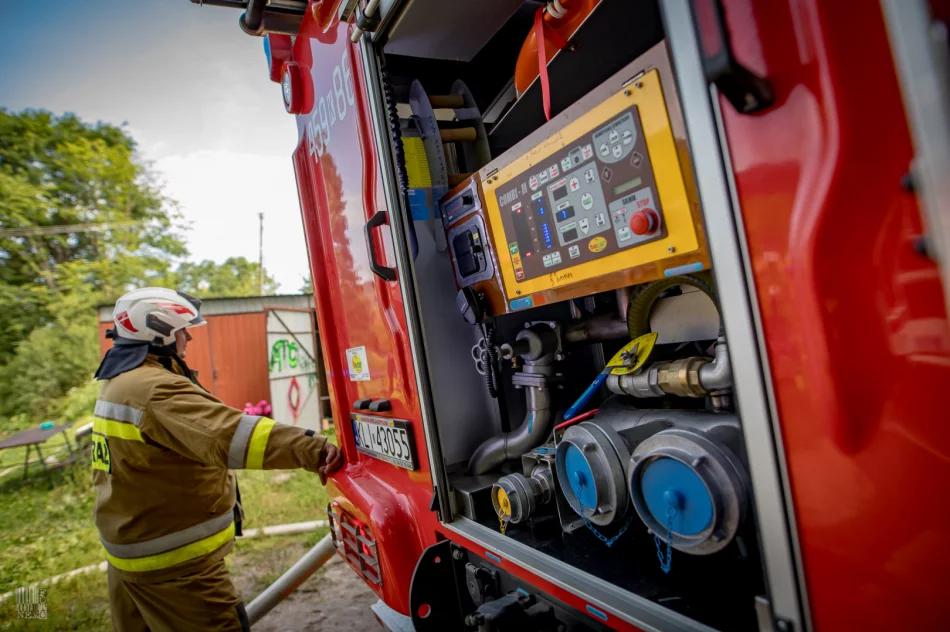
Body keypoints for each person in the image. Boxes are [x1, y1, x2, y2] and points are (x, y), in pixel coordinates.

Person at [91, 287, 343, 632]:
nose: (188, 337)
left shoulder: (120, 382)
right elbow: (229, 436)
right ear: (159, 332)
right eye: (182, 329)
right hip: (175, 568)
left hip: (132, 556)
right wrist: (312, 448)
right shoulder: (154, 388)